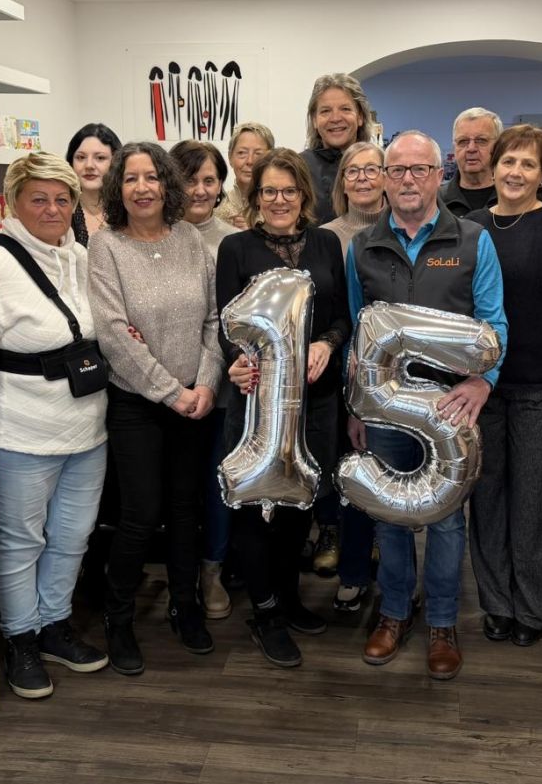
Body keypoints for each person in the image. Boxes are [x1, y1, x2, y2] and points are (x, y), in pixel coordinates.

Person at [345, 130, 508, 681]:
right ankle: (394, 612)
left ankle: (442, 622)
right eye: (397, 170)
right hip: (386, 408)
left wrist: (484, 382)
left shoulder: (473, 240)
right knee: (390, 513)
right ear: (384, 179)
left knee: (444, 520)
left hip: (448, 410)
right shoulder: (362, 246)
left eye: (420, 169)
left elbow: (494, 321)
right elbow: (356, 333)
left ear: (440, 175)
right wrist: (355, 406)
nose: (408, 180)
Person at [88, 142, 224, 676]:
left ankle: (185, 606)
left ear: (167, 184)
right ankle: (118, 618)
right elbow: (113, 333)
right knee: (141, 514)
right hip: (136, 403)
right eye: (130, 179)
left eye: (151, 177)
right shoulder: (107, 246)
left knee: (187, 510)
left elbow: (215, 319)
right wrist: (172, 392)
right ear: (118, 189)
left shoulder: (190, 239)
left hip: (196, 398)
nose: (142, 188)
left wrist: (206, 384)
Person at [0, 152, 110, 701]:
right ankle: (21, 638)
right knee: (20, 542)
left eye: (62, 198)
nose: (52, 209)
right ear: (14, 202)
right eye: (39, 198)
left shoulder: (80, 256)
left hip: (87, 429)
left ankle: (55, 625)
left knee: (73, 536)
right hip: (20, 433)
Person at [217, 149, 350, 667]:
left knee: (301, 497)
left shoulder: (325, 243)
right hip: (258, 402)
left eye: (288, 191)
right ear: (256, 197)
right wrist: (235, 362)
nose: (279, 200)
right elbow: (226, 324)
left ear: (303, 196)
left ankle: (290, 597)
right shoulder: (235, 248)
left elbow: (340, 317)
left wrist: (327, 344)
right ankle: (266, 612)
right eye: (269, 191)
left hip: (315, 399)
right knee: (257, 504)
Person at [463, 125, 542, 647]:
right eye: (508, 161)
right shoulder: (472, 226)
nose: (515, 172)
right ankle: (496, 603)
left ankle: (533, 609)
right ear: (493, 166)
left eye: (528, 164)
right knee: (486, 498)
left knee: (535, 504)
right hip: (481, 390)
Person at [317, 141, 386, 612]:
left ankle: (387, 560)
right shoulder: (325, 236)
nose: (361, 178)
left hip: (389, 374)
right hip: (340, 371)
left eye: (371, 169)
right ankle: (353, 565)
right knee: (349, 467)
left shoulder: (401, 227)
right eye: (352, 171)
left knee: (388, 469)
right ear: (341, 181)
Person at [172, 139, 238, 620]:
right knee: (178, 491)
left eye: (208, 180)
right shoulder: (153, 235)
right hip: (168, 389)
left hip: (223, 390)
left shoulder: (234, 241)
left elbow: (232, 321)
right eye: (189, 179)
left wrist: (212, 380)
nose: (199, 189)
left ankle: (212, 570)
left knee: (218, 485)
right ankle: (178, 578)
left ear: (220, 186)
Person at [302, 73, 374, 225]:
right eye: (325, 111)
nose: (335, 118)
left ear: (360, 117)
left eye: (345, 109)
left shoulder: (381, 165)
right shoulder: (299, 167)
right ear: (314, 120)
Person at [65, 123, 121, 246]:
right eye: (81, 157)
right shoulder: (61, 211)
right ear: (71, 163)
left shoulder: (129, 210)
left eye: (100, 158)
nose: (89, 165)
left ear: (116, 163)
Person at [441, 108, 502, 216]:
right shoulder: (436, 202)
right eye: (463, 141)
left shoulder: (513, 198)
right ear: (454, 148)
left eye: (481, 140)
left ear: (498, 146)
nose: (471, 148)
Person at [215, 122, 275, 229]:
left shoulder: (279, 207)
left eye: (258, 154)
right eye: (242, 153)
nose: (250, 161)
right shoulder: (216, 208)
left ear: (271, 158)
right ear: (230, 157)